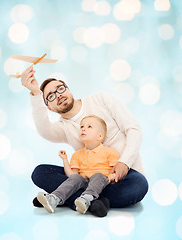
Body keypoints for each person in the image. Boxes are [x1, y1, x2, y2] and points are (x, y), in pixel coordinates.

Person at [21, 65, 148, 217]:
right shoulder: (63, 128)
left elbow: (134, 129)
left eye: (60, 89)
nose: (58, 95)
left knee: (139, 185)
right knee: (40, 173)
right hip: (86, 178)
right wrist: (36, 93)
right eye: (50, 96)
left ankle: (64, 197)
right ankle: (93, 202)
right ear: (49, 108)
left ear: (68, 89)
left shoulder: (101, 99)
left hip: (121, 176)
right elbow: (44, 130)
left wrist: (124, 163)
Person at [37, 115, 119, 215]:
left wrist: (111, 176)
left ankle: (86, 199)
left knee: (98, 175)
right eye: (82, 127)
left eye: (89, 127)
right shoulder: (77, 154)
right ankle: (54, 199)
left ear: (100, 136)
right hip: (84, 182)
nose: (84, 129)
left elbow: (117, 171)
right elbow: (72, 176)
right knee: (77, 178)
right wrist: (65, 160)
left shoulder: (109, 152)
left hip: (102, 182)